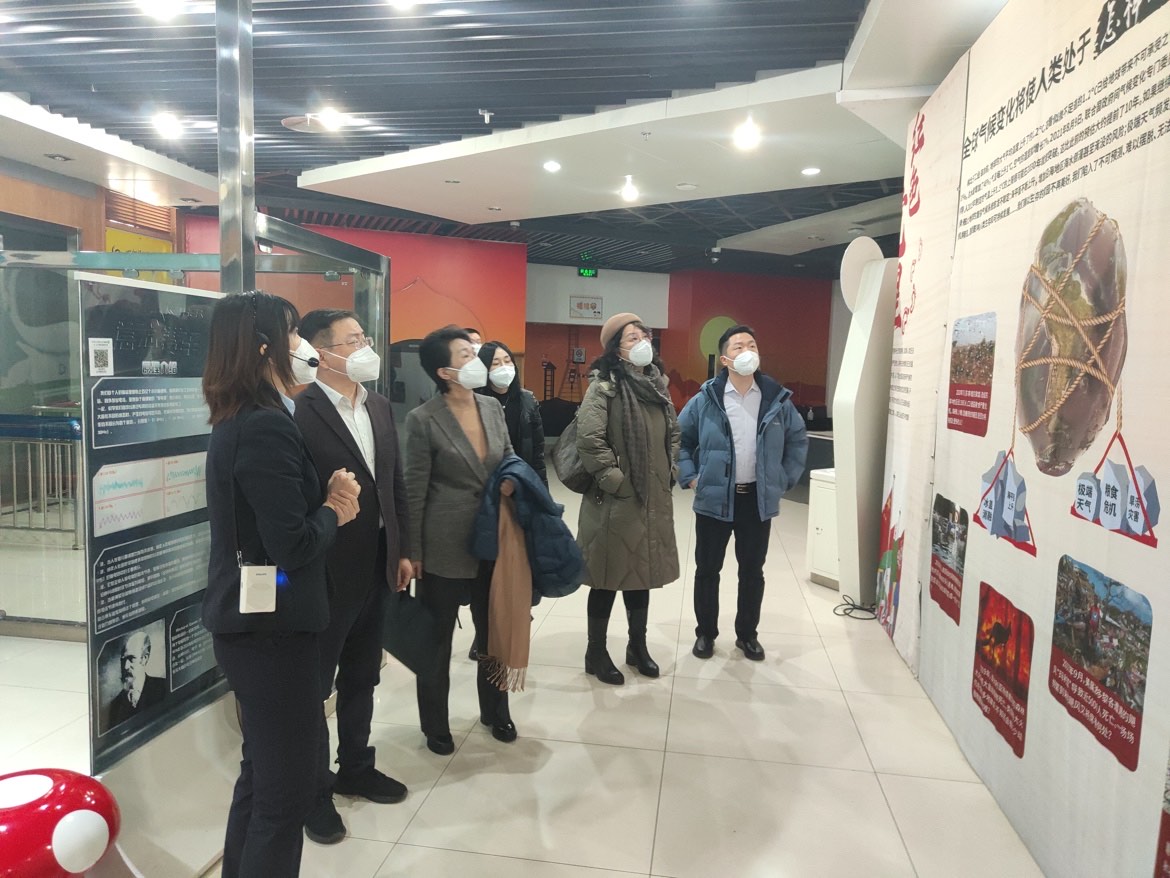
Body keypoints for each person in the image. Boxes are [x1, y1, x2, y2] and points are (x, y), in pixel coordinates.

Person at [202, 291, 360, 878]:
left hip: (256, 627)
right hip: (272, 633)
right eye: (292, 333)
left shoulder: (243, 417)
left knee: (262, 778)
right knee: (285, 795)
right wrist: (335, 509)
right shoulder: (265, 425)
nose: (302, 346)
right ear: (265, 346)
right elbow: (291, 544)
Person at [294, 309, 413, 846]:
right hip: (325, 568)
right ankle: (313, 790)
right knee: (315, 687)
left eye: (364, 337)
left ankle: (356, 767)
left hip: (379, 562)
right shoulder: (300, 411)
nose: (365, 347)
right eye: (353, 340)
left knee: (364, 674)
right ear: (323, 352)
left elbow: (394, 484)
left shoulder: (378, 405)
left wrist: (403, 550)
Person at [404, 325, 517, 755]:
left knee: (495, 634)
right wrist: (413, 552)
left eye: (474, 352)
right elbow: (415, 488)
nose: (476, 360)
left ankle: (496, 711)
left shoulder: (492, 407)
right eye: (465, 355)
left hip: (493, 538)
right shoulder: (423, 419)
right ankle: (435, 724)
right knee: (436, 642)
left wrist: (512, 480)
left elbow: (509, 457)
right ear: (444, 372)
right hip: (443, 545)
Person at [677, 324, 808, 662]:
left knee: (752, 572)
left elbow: (797, 439)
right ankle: (706, 634)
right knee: (708, 570)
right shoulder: (706, 399)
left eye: (752, 345)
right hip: (714, 498)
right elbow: (679, 439)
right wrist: (691, 477)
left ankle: (747, 635)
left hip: (756, 501)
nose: (747, 351)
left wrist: (782, 479)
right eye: (738, 347)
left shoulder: (776, 399)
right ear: (724, 359)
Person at [576, 312, 679, 686]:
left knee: (641, 574)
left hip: (651, 499)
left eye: (644, 335)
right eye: (631, 338)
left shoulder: (657, 386)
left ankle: (638, 646)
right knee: (606, 578)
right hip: (614, 502)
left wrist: (670, 471)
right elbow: (590, 440)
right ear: (615, 349)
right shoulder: (603, 388)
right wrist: (616, 481)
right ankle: (596, 651)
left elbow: (673, 434)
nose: (641, 343)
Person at [106, 631, 166, 728]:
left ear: (144, 659)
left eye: (131, 659)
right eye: (123, 660)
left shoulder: (164, 687)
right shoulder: (114, 706)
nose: (126, 666)